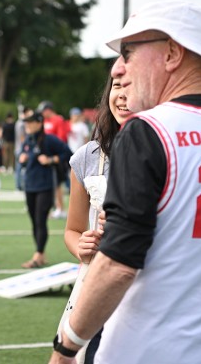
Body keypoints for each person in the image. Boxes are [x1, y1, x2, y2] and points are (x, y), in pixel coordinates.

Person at [51, 0, 201, 364]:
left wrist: (65, 348)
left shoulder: (148, 132)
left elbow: (118, 263)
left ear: (173, 53)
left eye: (128, 53)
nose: (119, 66)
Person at [52, 73, 130, 364]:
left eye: (131, 86)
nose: (122, 94)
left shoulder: (171, 153)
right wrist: (81, 245)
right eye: (117, 86)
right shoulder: (87, 157)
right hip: (96, 282)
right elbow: (72, 229)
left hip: (151, 285)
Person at [18, 111, 70, 268]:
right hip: (30, 185)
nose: (27, 125)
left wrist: (51, 159)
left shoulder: (49, 140)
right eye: (25, 122)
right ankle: (40, 253)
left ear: (39, 123)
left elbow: (68, 153)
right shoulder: (28, 140)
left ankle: (38, 255)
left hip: (45, 186)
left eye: (30, 122)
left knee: (40, 220)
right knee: (34, 221)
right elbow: (23, 158)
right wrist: (22, 160)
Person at [39, 101, 69, 219]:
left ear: (48, 110)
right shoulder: (45, 121)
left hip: (56, 156)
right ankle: (56, 206)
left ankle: (61, 208)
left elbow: (61, 138)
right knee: (51, 184)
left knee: (57, 184)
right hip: (46, 157)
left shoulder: (58, 120)